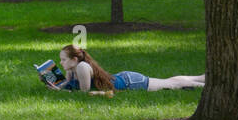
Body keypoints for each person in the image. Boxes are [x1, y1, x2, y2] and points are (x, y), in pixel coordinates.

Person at [46, 45, 205, 93]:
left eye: (63, 60)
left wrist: (61, 91)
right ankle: (201, 77)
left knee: (170, 85)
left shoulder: (81, 67)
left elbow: (84, 92)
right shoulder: (73, 68)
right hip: (123, 78)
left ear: (74, 59)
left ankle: (203, 85)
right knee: (169, 81)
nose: (61, 62)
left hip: (129, 82)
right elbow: (68, 84)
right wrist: (54, 83)